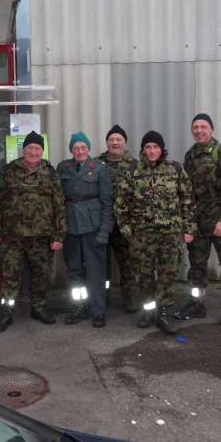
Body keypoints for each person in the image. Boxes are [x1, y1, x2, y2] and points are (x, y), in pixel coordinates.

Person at [114, 130, 195, 334]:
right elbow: (121, 202)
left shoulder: (175, 169)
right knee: (144, 276)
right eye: (148, 147)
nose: (151, 151)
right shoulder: (133, 171)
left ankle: (164, 313)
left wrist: (188, 228)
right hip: (142, 235)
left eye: (155, 147)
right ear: (143, 149)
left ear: (162, 149)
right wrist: (127, 230)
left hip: (170, 234)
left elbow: (187, 200)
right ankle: (148, 311)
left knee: (168, 275)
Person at [0, 131, 66, 332]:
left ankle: (38, 308)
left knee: (40, 276)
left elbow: (59, 206)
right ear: (24, 150)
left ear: (42, 151)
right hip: (12, 236)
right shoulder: (9, 171)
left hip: (41, 237)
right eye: (30, 148)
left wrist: (59, 235)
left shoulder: (50, 173)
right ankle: (6, 312)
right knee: (10, 277)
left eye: (37, 148)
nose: (33, 152)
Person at [177, 113, 221, 327]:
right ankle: (197, 304)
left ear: (211, 129)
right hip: (199, 223)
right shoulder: (190, 155)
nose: (199, 131)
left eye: (203, 127)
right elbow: (188, 191)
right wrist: (189, 222)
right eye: (195, 127)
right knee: (197, 267)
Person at [58, 132, 112, 328]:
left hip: (93, 227)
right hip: (71, 228)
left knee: (95, 272)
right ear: (71, 150)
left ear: (88, 149)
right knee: (74, 271)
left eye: (83, 147)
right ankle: (79, 307)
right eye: (76, 148)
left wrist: (105, 230)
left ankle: (98, 311)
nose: (79, 151)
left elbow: (107, 203)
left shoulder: (99, 168)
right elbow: (58, 199)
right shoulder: (63, 168)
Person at [97, 125, 140, 313]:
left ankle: (130, 297)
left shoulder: (135, 165)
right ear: (107, 142)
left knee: (128, 263)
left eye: (118, 139)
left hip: (126, 224)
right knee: (103, 264)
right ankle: (104, 295)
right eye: (111, 139)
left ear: (125, 142)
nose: (115, 142)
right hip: (103, 223)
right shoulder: (97, 163)